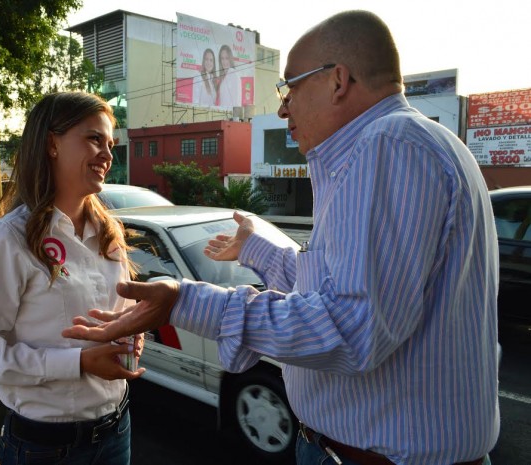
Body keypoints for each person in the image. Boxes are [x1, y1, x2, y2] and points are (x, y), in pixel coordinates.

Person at [63, 10, 500, 465]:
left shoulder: (386, 147)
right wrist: (255, 249)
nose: (282, 106)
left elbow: (349, 326)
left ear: (338, 80)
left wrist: (185, 301)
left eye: (291, 86)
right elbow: (338, 285)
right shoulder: (412, 144)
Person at [0, 91, 145, 465]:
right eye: (93, 139)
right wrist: (80, 363)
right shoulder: (5, 239)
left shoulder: (109, 232)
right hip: (43, 448)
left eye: (110, 143)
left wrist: (133, 335)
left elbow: (123, 312)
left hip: (117, 430)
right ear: (52, 144)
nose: (108, 154)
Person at [215, 44, 242, 108]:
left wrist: (235, 117)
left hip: (231, 116)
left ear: (230, 59)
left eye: (226, 58)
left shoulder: (234, 74)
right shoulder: (223, 77)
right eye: (222, 58)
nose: (224, 61)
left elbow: (237, 100)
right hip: (223, 114)